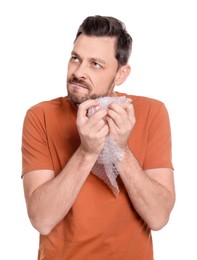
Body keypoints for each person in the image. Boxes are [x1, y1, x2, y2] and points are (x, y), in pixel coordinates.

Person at [21, 15, 175, 260]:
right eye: (75, 59)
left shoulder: (152, 113)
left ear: (121, 74)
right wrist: (86, 152)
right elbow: (41, 219)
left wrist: (121, 150)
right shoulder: (40, 116)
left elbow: (158, 217)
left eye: (95, 64)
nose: (78, 72)